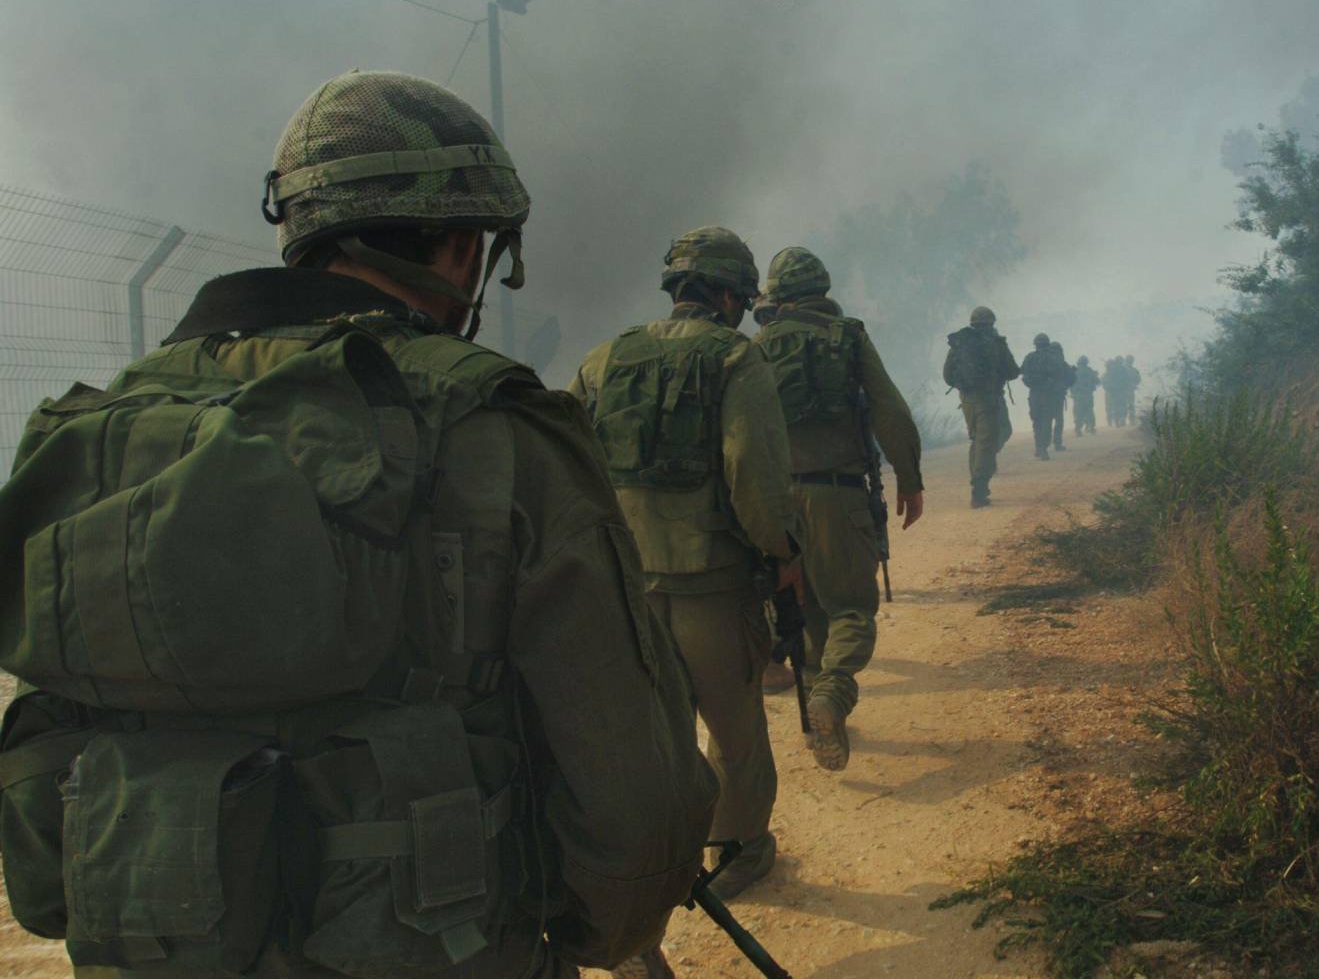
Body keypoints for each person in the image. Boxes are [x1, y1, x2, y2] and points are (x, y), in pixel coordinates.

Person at [0, 71, 715, 978]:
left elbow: (43, 759)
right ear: (459, 247)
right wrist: (588, 940)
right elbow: (632, 795)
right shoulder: (498, 433)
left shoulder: (110, 428)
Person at [569, 226, 803, 902]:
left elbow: (569, 464)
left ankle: (650, 866)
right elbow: (755, 480)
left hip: (629, 588)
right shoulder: (736, 359)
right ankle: (737, 857)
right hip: (714, 586)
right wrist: (783, 554)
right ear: (731, 294)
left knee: (649, 737)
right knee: (735, 736)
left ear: (677, 288)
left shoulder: (603, 359)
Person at [752, 247, 925, 772]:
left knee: (801, 611)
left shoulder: (756, 345)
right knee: (850, 608)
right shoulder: (848, 337)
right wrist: (910, 480)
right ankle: (832, 696)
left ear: (776, 295)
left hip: (775, 499)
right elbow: (890, 410)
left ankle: (820, 722)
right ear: (824, 289)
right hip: (838, 494)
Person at [944, 306, 1019, 506]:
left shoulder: (960, 343)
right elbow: (1012, 372)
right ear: (992, 323)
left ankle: (980, 479)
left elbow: (947, 376)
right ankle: (979, 486)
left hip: (968, 401)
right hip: (990, 400)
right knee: (988, 442)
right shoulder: (995, 343)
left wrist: (966, 387)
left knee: (978, 440)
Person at [1019, 332, 1063, 460]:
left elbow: (1023, 372)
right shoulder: (1054, 357)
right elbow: (1059, 374)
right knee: (1046, 421)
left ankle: (1039, 446)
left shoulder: (1030, 357)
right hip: (1049, 394)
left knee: (1036, 421)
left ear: (1035, 345)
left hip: (1034, 394)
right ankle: (1043, 447)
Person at [1071, 354, 1100, 436]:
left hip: (1078, 396)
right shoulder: (1089, 371)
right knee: (1089, 411)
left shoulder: (1074, 371)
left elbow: (1070, 383)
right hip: (1088, 395)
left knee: (1078, 412)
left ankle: (1078, 429)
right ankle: (1091, 428)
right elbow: (1097, 381)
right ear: (1086, 363)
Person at [1102, 356, 1126, 427]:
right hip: (1119, 390)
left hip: (1110, 391)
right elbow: (1126, 379)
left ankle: (1111, 421)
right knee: (1120, 405)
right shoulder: (1121, 370)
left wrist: (1107, 388)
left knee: (1110, 406)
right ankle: (1120, 419)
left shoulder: (1108, 372)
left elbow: (1103, 381)